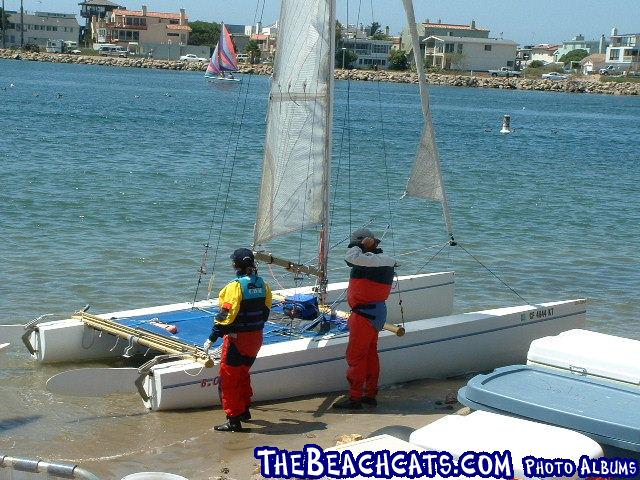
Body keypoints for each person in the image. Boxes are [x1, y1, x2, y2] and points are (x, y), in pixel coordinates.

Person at [203, 248, 272, 432]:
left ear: (235, 265)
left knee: (228, 380)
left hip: (237, 340)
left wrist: (212, 337)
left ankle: (234, 420)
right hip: (256, 338)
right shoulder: (263, 284)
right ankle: (244, 411)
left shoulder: (234, 287)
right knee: (243, 373)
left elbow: (226, 316)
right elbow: (265, 312)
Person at [333, 228, 397, 410]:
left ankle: (355, 398)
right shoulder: (384, 260)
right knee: (370, 354)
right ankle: (370, 394)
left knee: (356, 357)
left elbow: (351, 257)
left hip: (364, 315)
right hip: (376, 314)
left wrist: (359, 245)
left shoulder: (369, 261)